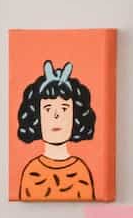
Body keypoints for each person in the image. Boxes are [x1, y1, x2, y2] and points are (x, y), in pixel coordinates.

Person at [14, 59, 99, 201]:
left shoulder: (81, 172)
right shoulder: (31, 172)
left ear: (75, 115)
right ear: (36, 116)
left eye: (64, 108)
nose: (56, 115)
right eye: (48, 108)